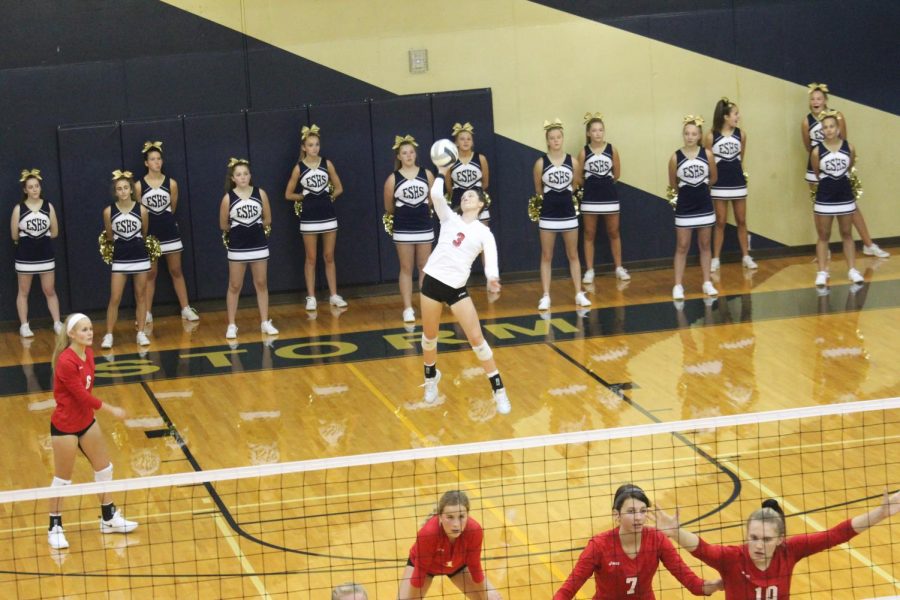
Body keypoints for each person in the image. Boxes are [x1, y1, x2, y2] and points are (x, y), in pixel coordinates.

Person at [657, 490, 900, 599]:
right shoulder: (732, 558)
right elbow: (703, 548)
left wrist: (881, 513)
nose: (758, 545)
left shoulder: (790, 551)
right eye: (753, 538)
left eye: (766, 539)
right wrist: (676, 533)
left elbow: (837, 534)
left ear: (780, 539)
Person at [419, 168, 510, 415]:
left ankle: (499, 389)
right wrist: (440, 172)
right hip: (432, 283)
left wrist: (492, 279)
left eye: (471, 196)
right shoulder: (449, 218)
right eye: (464, 196)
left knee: (477, 341)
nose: (466, 198)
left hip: (456, 289)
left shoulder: (484, 233)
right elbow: (436, 194)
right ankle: (430, 380)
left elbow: (491, 260)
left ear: (480, 204)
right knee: (429, 338)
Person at [47, 313, 138, 549]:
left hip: (86, 422)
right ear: (71, 334)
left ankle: (109, 517)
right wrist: (112, 409)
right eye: (84, 330)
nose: (90, 333)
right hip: (65, 426)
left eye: (90, 329)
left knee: (104, 469)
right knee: (62, 480)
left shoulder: (88, 353)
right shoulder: (66, 361)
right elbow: (81, 395)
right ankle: (55, 526)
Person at [554, 484, 721, 599]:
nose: (639, 517)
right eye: (631, 511)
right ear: (616, 515)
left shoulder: (657, 539)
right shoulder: (599, 546)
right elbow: (567, 590)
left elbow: (693, 584)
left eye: (643, 511)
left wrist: (717, 584)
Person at [802, 83, 888, 259]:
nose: (815, 102)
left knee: (851, 207)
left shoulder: (837, 117)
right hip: (817, 169)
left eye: (819, 98)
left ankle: (868, 244)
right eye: (812, 99)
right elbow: (807, 147)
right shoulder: (807, 121)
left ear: (825, 100)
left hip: (839, 167)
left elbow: (845, 144)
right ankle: (824, 249)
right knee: (819, 208)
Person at [134, 141, 199, 324]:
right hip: (151, 234)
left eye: (159, 159)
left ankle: (185, 308)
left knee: (176, 270)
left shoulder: (171, 183)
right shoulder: (139, 186)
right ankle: (146, 312)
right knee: (151, 274)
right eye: (152, 159)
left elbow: (173, 206)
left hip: (170, 231)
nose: (156, 162)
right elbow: (139, 212)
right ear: (146, 163)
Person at [284, 125, 348, 311]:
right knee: (311, 258)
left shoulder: (327, 164)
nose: (314, 148)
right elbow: (288, 194)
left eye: (317, 144)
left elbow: (339, 187)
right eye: (310, 145)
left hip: (328, 215)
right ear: (304, 147)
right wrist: (305, 197)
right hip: (309, 217)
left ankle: (334, 295)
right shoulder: (299, 168)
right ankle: (311, 297)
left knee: (329, 256)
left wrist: (329, 196)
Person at [398, 490, 502, 600]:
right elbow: (419, 573)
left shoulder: (474, 530)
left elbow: (475, 567)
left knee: (493, 598)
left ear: (468, 515)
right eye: (450, 517)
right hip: (427, 568)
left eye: (461, 516)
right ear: (440, 517)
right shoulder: (428, 534)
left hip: (459, 565)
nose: (456, 524)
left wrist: (485, 596)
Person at [533, 119, 590, 311]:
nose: (556, 141)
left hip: (568, 214)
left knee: (573, 254)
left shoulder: (572, 161)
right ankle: (546, 295)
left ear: (562, 139)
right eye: (552, 138)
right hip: (548, 215)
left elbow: (575, 185)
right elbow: (539, 190)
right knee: (547, 255)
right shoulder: (541, 163)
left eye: (558, 137)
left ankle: (578, 293)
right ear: (547, 141)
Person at [220, 158, 278, 338]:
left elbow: (268, 219)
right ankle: (231, 324)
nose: (243, 177)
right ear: (233, 178)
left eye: (245, 173)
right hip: (238, 247)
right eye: (239, 174)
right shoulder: (228, 198)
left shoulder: (260, 193)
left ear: (250, 176)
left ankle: (264, 322)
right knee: (235, 285)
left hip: (259, 244)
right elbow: (223, 225)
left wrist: (254, 227)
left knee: (261, 283)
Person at [809, 111, 864, 287]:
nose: (829, 130)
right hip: (825, 197)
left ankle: (852, 270)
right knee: (823, 234)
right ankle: (822, 271)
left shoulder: (850, 147)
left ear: (838, 128)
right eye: (825, 127)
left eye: (832, 126)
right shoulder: (817, 151)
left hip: (845, 195)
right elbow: (817, 174)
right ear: (822, 131)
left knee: (847, 233)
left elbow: (850, 166)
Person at [383, 135, 434, 323]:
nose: (409, 155)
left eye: (411, 152)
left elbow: (431, 200)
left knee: (425, 267)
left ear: (416, 154)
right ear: (399, 156)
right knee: (406, 268)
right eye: (404, 153)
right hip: (403, 228)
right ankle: (408, 308)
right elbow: (389, 207)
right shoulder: (392, 179)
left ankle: (427, 305)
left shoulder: (426, 174)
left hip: (424, 226)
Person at [669, 116, 718, 300]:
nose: (690, 137)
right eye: (687, 133)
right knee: (682, 246)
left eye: (694, 134)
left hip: (704, 205)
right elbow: (673, 184)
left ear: (699, 136)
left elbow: (713, 178)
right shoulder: (675, 157)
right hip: (685, 207)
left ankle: (707, 282)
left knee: (705, 244)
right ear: (683, 135)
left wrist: (701, 188)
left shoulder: (708, 154)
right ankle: (678, 285)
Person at [577, 113, 629, 285]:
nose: (598, 133)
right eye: (594, 130)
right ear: (588, 133)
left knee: (614, 232)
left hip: (609, 197)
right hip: (591, 198)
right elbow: (578, 178)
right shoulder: (583, 152)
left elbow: (617, 174)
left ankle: (619, 267)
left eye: (600, 130)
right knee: (589, 234)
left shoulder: (611, 149)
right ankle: (590, 270)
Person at [101, 170, 151, 349]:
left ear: (131, 189)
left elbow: (144, 232)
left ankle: (141, 332)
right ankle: (108, 335)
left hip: (139, 256)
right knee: (115, 298)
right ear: (115, 192)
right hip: (120, 258)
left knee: (141, 296)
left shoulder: (142, 209)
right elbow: (109, 235)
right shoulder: (109, 211)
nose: (122, 191)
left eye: (125, 188)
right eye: (119, 189)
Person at [705, 98, 756, 272]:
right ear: (726, 116)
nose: (738, 117)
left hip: (737, 182)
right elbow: (708, 161)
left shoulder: (741, 134)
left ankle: (746, 256)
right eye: (735, 114)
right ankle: (716, 258)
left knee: (741, 220)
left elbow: (741, 158)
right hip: (719, 184)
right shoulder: (711, 136)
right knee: (720, 221)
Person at [11, 168, 62, 337]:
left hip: (45, 254)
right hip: (25, 256)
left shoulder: (48, 207)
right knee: (23, 291)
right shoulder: (19, 208)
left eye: (37, 186)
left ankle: (57, 322)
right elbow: (14, 234)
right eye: (30, 187)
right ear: (25, 190)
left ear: (40, 187)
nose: (34, 189)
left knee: (50, 290)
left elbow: (54, 231)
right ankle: (24, 325)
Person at [447, 122, 491, 223]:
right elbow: (449, 186)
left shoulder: (481, 158)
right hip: (458, 201)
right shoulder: (451, 160)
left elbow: (485, 183)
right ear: (456, 143)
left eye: (469, 139)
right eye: (462, 139)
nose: (465, 142)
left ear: (472, 142)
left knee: (482, 235)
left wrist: (474, 192)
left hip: (478, 200)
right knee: (460, 235)